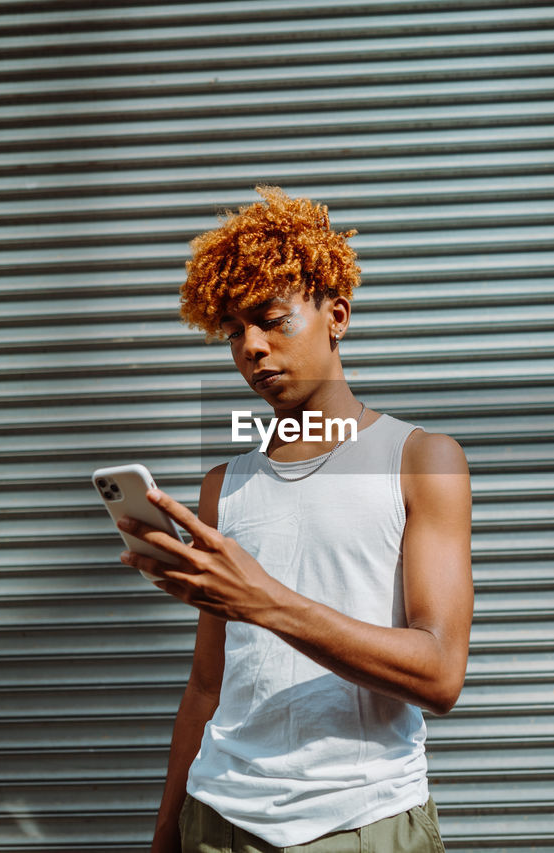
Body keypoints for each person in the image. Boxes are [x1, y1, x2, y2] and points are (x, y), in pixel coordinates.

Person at [116, 186, 473, 852]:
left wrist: (264, 601)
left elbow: (440, 672)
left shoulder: (422, 459)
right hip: (217, 820)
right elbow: (206, 683)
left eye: (272, 320)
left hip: (360, 821)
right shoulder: (224, 485)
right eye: (234, 332)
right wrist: (166, 834)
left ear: (336, 314)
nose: (250, 347)